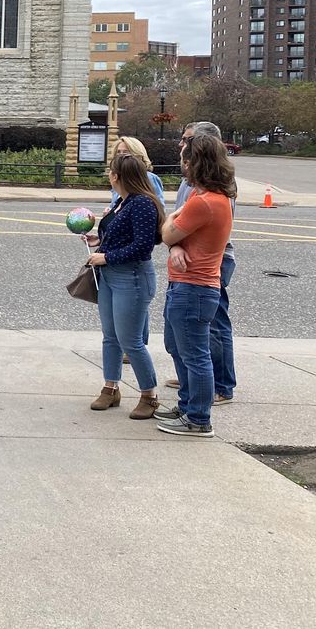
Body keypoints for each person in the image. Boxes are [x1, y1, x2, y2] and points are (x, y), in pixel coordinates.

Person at [154, 135, 236, 438]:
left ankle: (198, 418)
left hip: (194, 288)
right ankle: (188, 405)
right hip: (189, 286)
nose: (181, 163)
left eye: (184, 158)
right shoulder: (209, 198)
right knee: (179, 348)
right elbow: (172, 237)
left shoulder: (203, 202)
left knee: (195, 355)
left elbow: (166, 232)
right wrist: (174, 245)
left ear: (193, 163)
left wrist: (172, 238)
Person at [84, 153, 163, 419]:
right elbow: (122, 234)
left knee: (131, 340)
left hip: (131, 277)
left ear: (117, 176)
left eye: (110, 171)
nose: (108, 175)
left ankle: (149, 395)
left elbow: (143, 246)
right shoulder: (123, 201)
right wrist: (100, 240)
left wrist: (106, 256)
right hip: (109, 276)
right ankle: (111, 387)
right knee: (110, 336)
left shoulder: (142, 203)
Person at [110, 136, 165, 202]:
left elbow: (158, 205)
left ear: (137, 155)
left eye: (126, 152)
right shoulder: (118, 178)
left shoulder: (149, 178)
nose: (121, 155)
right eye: (118, 152)